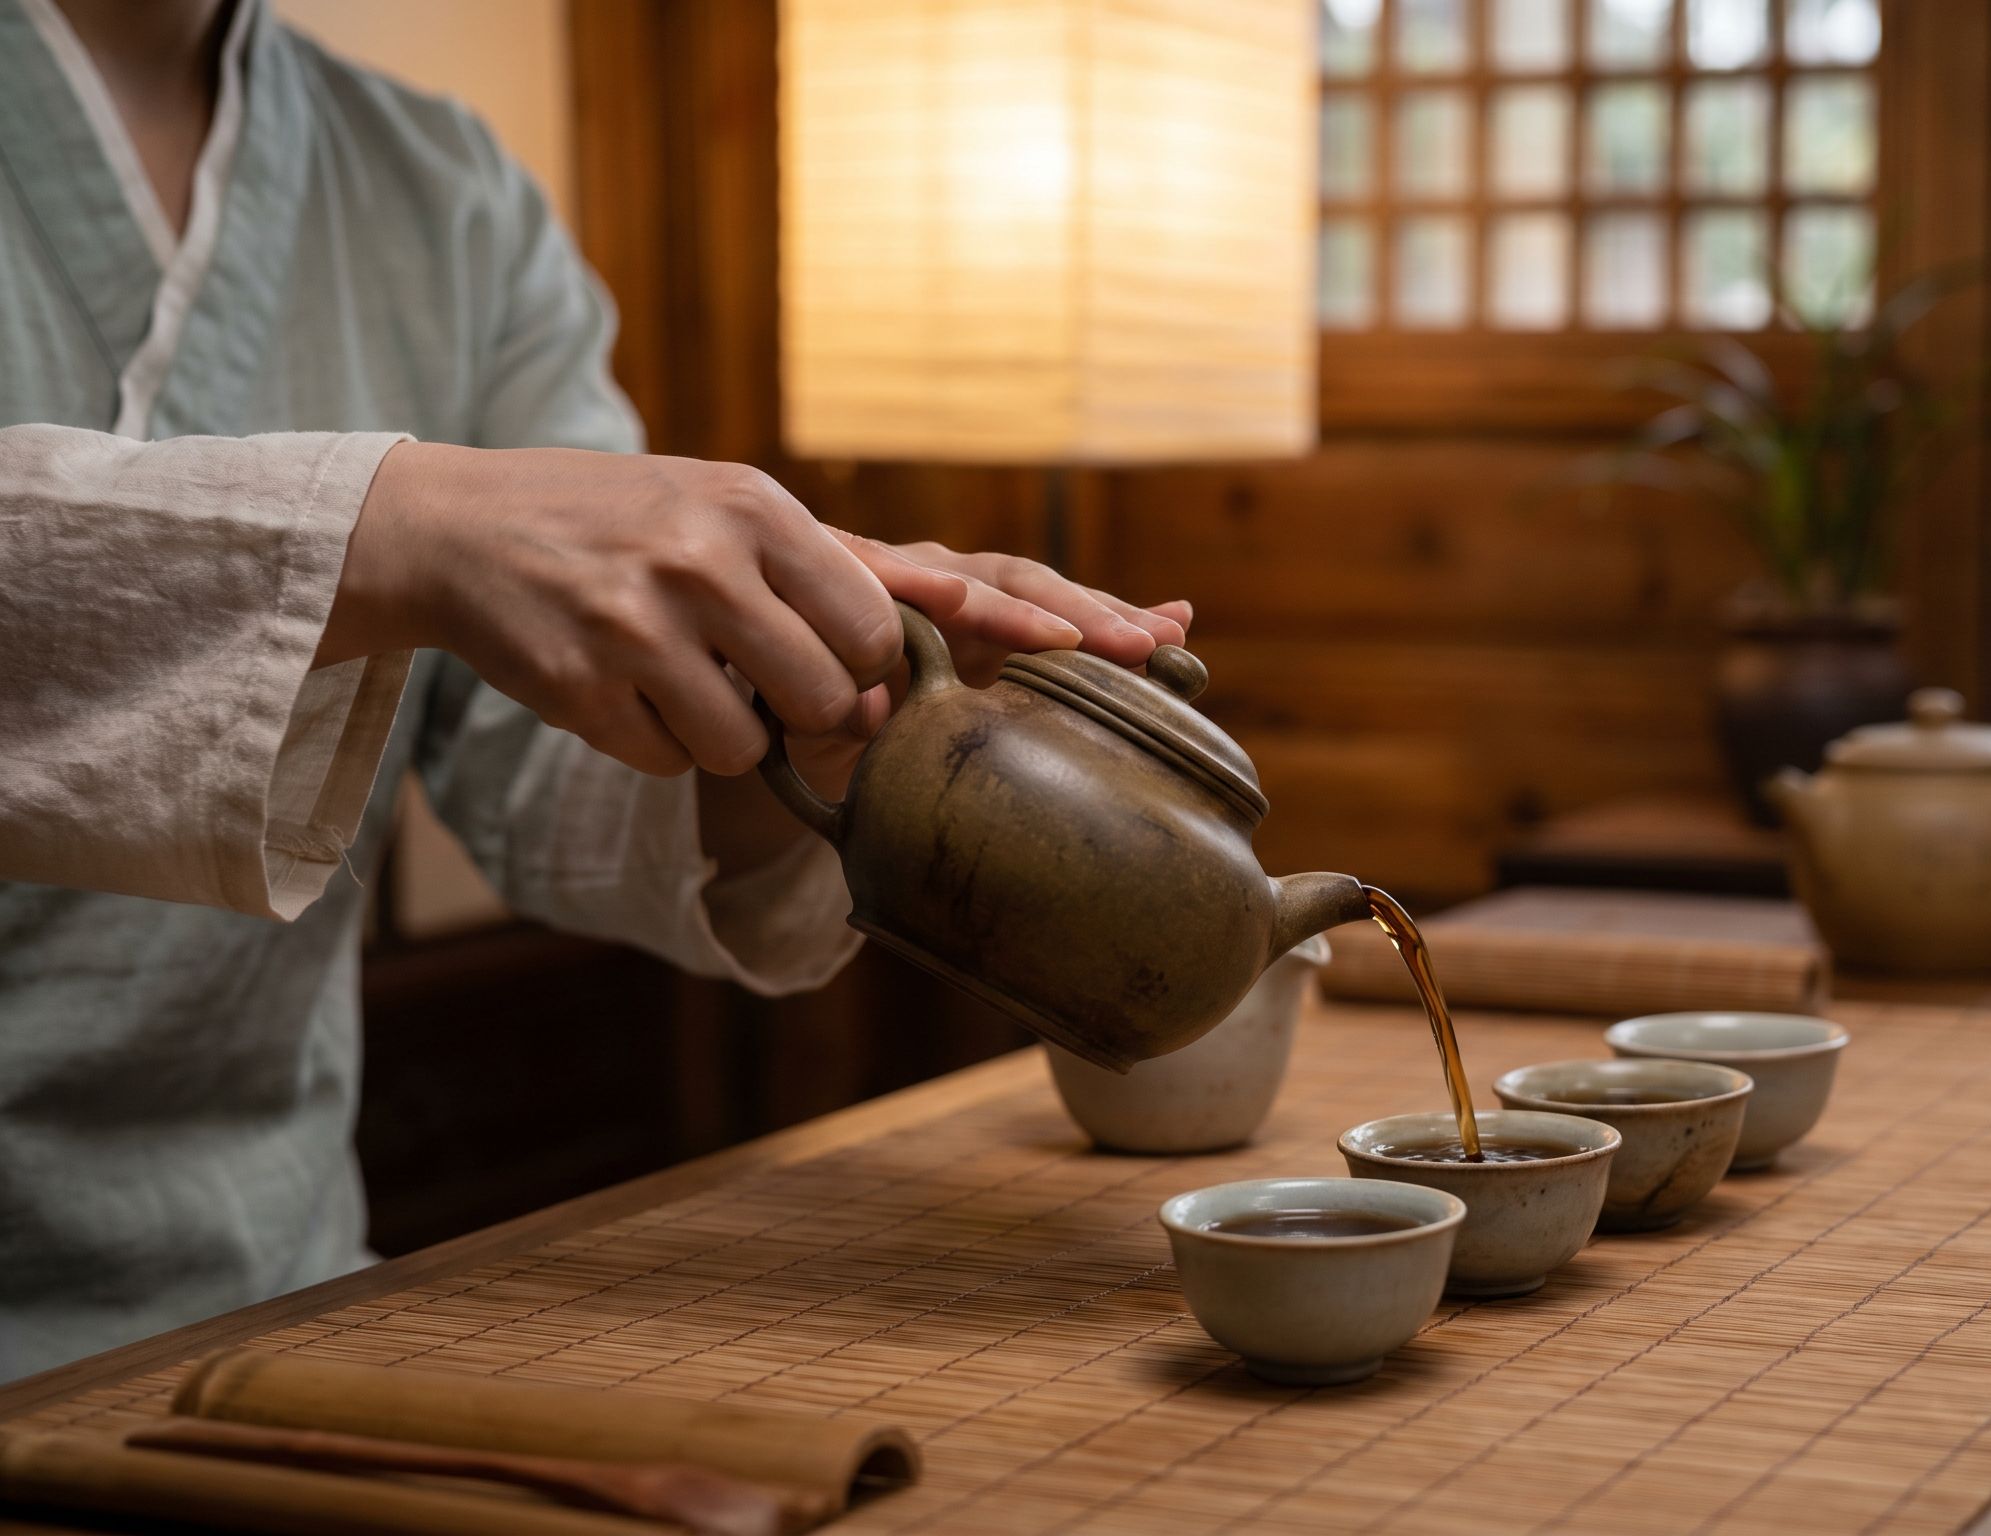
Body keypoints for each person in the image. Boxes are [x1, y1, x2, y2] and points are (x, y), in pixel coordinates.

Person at [0, 0, 1190, 1381]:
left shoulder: (440, 188)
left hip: (275, 1316)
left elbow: (543, 762)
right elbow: (438, 551)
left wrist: (825, 717)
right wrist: (399, 528)